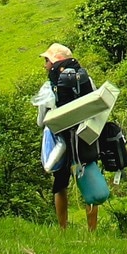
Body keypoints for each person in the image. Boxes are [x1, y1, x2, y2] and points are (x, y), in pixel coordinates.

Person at [32, 44, 101, 231]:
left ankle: (63, 228)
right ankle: (92, 230)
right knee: (89, 183)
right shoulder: (87, 80)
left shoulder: (49, 86)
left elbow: (41, 121)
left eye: (47, 60)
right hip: (84, 139)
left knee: (60, 185)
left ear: (55, 61)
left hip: (60, 141)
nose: (45, 64)